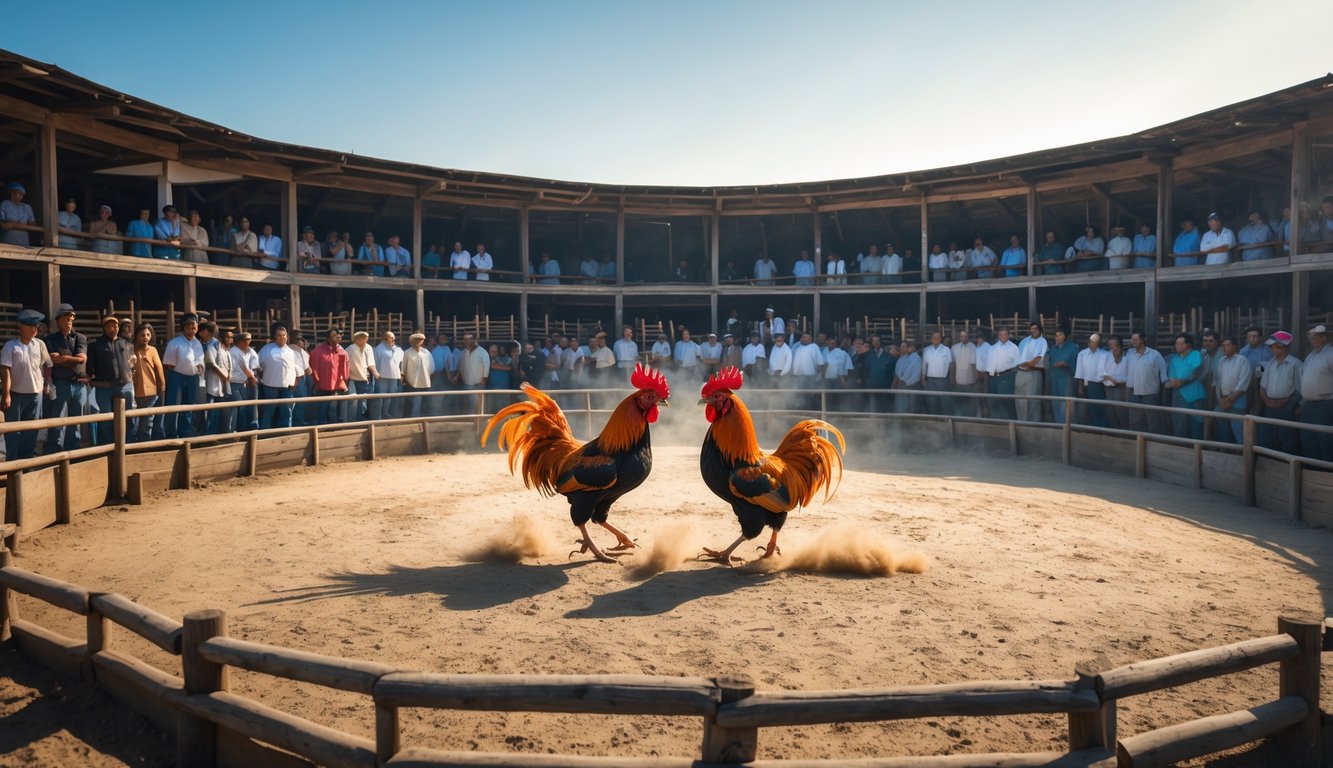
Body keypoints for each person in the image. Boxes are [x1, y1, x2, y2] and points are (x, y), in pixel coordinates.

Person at [2, 309, 53, 459]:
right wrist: (6, 395)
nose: (34, 329)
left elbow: (48, 364)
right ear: (21, 327)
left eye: (35, 326)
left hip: (35, 395)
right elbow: (6, 372)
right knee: (13, 432)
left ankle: (27, 463)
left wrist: (47, 383)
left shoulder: (40, 344)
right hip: (16, 395)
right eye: (31, 326)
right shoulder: (11, 346)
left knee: (31, 431)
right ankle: (12, 464)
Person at [43, 304, 88, 453]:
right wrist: (72, 360)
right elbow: (52, 360)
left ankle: (72, 451)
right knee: (57, 420)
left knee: (76, 421)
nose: (70, 319)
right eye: (66, 317)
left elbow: (82, 359)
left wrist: (63, 359)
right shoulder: (49, 339)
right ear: (58, 320)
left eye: (72, 317)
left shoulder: (80, 338)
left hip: (79, 385)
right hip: (60, 384)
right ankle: (53, 453)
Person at [86, 315, 135, 445]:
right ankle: (107, 446)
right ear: (104, 328)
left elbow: (132, 363)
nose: (113, 328)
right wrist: (92, 381)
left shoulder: (126, 343)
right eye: (109, 326)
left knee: (128, 417)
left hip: (125, 386)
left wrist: (130, 376)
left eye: (115, 326)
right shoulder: (95, 345)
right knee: (106, 418)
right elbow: (89, 368)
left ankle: (127, 444)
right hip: (104, 386)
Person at [161, 314, 205, 439]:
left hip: (193, 378)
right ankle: (171, 435)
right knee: (173, 406)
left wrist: (199, 367)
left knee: (189, 406)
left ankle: (185, 433)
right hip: (177, 377)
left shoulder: (198, 343)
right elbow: (168, 364)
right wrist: (181, 371)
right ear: (183, 327)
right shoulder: (175, 343)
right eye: (188, 325)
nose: (191, 327)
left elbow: (200, 359)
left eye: (194, 325)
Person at [1257, 331, 1302, 454]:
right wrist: (1267, 401)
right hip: (1270, 408)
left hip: (1287, 409)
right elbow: (1262, 387)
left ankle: (1289, 468)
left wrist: (1289, 405)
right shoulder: (1270, 364)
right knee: (1269, 438)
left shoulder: (1296, 364)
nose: (1271, 348)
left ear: (1282, 346)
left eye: (1273, 345)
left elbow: (1300, 390)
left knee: (1288, 439)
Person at [1300, 325, 1332, 461]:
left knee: (1325, 441)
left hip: (1325, 405)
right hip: (1308, 405)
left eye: (1315, 338)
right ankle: (1311, 471)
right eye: (1311, 338)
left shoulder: (1331, 354)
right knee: (1308, 440)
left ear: (1324, 337)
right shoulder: (1310, 356)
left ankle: (1326, 475)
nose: (1311, 341)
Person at [1126, 331, 1168, 434]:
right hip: (1133, 391)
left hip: (1150, 392)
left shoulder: (1155, 355)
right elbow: (1127, 373)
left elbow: (1163, 372)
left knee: (1153, 420)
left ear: (1143, 340)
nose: (1133, 342)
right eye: (1132, 340)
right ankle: (1136, 442)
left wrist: (1166, 386)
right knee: (1135, 419)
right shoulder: (1129, 354)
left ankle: (1153, 442)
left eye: (1136, 339)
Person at [130, 323, 166, 442]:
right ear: (136, 336)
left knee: (148, 420)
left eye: (148, 334)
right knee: (134, 418)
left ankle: (144, 442)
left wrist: (162, 384)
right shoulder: (131, 349)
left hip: (151, 388)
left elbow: (159, 368)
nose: (146, 337)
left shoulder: (153, 350)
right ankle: (136, 442)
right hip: (134, 388)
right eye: (142, 335)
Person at [257, 326, 299, 429]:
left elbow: (294, 368)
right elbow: (259, 366)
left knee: (286, 410)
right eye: (279, 335)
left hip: (287, 386)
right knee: (269, 410)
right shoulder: (266, 349)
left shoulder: (291, 351)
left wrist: (294, 381)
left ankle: (285, 432)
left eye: (284, 335)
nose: (282, 337)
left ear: (287, 337)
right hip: (270, 385)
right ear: (274, 337)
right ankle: (265, 433)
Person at [1165, 334, 1206, 439]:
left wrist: (1182, 381)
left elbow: (1195, 370)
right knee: (1179, 423)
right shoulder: (1175, 358)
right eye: (1176, 343)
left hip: (1193, 395)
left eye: (1180, 343)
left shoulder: (1195, 354)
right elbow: (1171, 376)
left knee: (1196, 424)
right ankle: (1181, 447)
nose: (1177, 345)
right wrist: (1175, 382)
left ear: (1188, 344)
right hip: (1178, 396)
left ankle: (1197, 448)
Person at [1212, 337, 1251, 443]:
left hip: (1237, 399)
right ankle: (1226, 453)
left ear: (1234, 346)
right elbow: (1218, 381)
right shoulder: (1222, 360)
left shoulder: (1242, 360)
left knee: (1238, 430)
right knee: (1222, 429)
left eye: (1227, 345)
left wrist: (1231, 400)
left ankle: (1242, 455)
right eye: (1223, 345)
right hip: (1222, 400)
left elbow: (1243, 384)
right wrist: (1220, 400)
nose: (1224, 348)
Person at [198, 322, 233, 434]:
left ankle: (212, 434)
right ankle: (207, 434)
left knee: (213, 411)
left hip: (216, 381)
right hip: (206, 380)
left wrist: (226, 374)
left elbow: (220, 362)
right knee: (207, 410)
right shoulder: (201, 344)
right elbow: (211, 364)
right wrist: (224, 375)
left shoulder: (215, 344)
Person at [309, 329, 350, 424]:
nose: (338, 336)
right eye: (334, 335)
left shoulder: (342, 352)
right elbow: (314, 368)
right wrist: (317, 383)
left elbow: (346, 370)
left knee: (335, 411)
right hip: (322, 386)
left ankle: (335, 430)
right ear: (328, 338)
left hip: (338, 386)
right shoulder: (317, 352)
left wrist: (345, 383)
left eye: (339, 334)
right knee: (322, 410)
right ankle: (321, 430)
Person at [1074, 333, 1110, 427]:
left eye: (1096, 342)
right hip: (1087, 384)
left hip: (1100, 384)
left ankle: (1100, 428)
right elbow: (1079, 372)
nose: (1093, 344)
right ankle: (1091, 428)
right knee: (1089, 408)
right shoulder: (1082, 354)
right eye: (1092, 342)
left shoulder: (1105, 354)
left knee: (1100, 407)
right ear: (1088, 342)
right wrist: (1080, 387)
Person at [1014, 322, 1047, 422]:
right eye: (1032, 328)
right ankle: (1022, 422)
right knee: (1020, 399)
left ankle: (1034, 424)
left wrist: (1029, 364)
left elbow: (1041, 358)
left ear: (1040, 329)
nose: (1034, 330)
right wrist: (1023, 364)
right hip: (1021, 372)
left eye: (1036, 328)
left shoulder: (1043, 341)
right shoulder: (1024, 341)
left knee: (1033, 400)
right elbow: (1018, 357)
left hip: (1035, 373)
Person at [228, 331, 260, 433]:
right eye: (245, 340)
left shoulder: (249, 351)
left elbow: (256, 365)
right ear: (239, 341)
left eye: (249, 339)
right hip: (234, 383)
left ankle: (244, 428)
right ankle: (238, 429)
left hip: (243, 383)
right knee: (240, 406)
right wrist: (253, 378)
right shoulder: (235, 352)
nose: (248, 342)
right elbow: (244, 368)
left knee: (244, 406)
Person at [1047, 327, 1078, 425]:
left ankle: (1067, 425)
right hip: (1054, 377)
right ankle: (1058, 424)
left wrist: (1066, 364)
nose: (1057, 337)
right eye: (1056, 335)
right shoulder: (1053, 349)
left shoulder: (1073, 347)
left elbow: (1076, 363)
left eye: (1060, 335)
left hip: (1066, 377)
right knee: (1055, 401)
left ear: (1065, 336)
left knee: (1066, 402)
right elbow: (1048, 362)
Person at [986, 328, 1019, 420]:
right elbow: (989, 363)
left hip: (1006, 376)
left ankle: (1010, 422)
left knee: (1006, 401)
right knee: (994, 401)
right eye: (1001, 334)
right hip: (993, 377)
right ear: (998, 335)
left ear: (1008, 335)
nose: (1003, 336)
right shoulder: (993, 348)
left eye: (1005, 334)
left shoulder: (1013, 348)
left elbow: (1017, 364)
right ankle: (997, 422)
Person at [345, 331, 378, 422]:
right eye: (361, 338)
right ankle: (351, 422)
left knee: (363, 402)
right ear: (356, 339)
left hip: (366, 378)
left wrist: (375, 372)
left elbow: (371, 363)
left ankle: (361, 421)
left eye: (365, 338)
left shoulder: (368, 348)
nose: (364, 340)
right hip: (352, 378)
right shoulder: (349, 349)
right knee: (353, 401)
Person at [1100, 335, 1131, 429]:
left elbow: (1129, 376)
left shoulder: (1127, 358)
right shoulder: (1105, 356)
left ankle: (1126, 437)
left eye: (1114, 345)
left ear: (1120, 346)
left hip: (1121, 389)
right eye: (1110, 345)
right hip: (1108, 389)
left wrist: (1116, 380)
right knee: (1112, 415)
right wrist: (1108, 377)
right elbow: (1101, 373)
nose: (1112, 347)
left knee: (1123, 415)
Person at [455, 333, 490, 414]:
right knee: (468, 404)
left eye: (470, 339)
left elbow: (486, 366)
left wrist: (484, 380)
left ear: (474, 340)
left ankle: (479, 422)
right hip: (466, 383)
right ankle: (471, 421)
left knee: (478, 405)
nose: (468, 341)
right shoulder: (463, 353)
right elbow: (461, 366)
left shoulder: (482, 352)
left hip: (478, 383)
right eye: (466, 339)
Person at [402, 332, 434, 417]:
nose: (418, 342)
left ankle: (426, 422)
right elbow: (403, 368)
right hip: (411, 383)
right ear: (411, 341)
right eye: (416, 340)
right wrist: (404, 380)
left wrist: (428, 378)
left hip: (425, 382)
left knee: (426, 404)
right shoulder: (407, 353)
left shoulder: (426, 352)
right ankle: (408, 422)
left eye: (420, 340)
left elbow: (431, 368)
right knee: (409, 404)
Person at [373, 331, 404, 420]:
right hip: (382, 376)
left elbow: (402, 362)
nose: (393, 339)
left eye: (393, 338)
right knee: (381, 397)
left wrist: (402, 373)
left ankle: (387, 414)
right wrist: (376, 374)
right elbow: (375, 362)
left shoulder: (398, 349)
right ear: (385, 338)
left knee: (391, 397)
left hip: (394, 377)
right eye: (391, 337)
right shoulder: (379, 349)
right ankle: (378, 417)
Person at [920, 332, 952, 414]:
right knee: (931, 402)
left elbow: (950, 365)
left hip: (942, 380)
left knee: (944, 402)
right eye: (934, 337)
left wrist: (951, 379)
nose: (936, 339)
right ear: (931, 339)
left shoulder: (946, 350)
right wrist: (923, 379)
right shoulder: (927, 350)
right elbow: (924, 365)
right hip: (930, 380)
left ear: (941, 339)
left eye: (938, 337)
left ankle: (945, 421)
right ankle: (934, 421)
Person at [949, 330, 977, 417]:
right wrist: (952, 378)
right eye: (962, 336)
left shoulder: (973, 347)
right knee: (959, 402)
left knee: (971, 403)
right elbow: (952, 364)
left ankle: (972, 420)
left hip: (971, 380)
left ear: (968, 337)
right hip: (958, 380)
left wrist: (976, 378)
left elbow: (975, 364)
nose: (964, 338)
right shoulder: (954, 348)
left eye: (965, 336)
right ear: (959, 337)